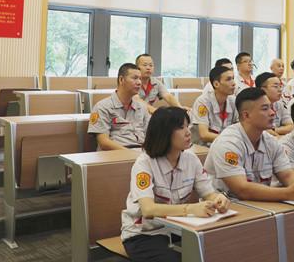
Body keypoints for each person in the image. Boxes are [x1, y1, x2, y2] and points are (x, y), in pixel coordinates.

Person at [121, 107, 230, 262]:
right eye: (180, 127)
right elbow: (148, 209)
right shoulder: (144, 163)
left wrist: (218, 199)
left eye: (187, 126)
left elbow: (208, 193)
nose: (188, 132)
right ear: (163, 132)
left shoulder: (191, 160)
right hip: (144, 234)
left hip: (179, 230)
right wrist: (190, 209)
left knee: (223, 248)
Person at [204, 87, 294, 201]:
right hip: (225, 206)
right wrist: (287, 193)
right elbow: (241, 189)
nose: (272, 113)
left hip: (259, 204)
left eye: (271, 107)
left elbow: (288, 175)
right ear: (246, 115)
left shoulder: (270, 142)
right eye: (265, 108)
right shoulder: (228, 143)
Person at [88, 63, 150, 150]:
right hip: (116, 153)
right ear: (121, 80)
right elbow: (104, 142)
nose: (139, 82)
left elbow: (151, 136)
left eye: (140, 79)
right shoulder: (102, 107)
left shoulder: (142, 108)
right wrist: (132, 154)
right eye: (135, 78)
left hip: (141, 152)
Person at [191, 66, 237, 146]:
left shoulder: (233, 101)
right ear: (216, 84)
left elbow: (240, 128)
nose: (234, 83)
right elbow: (204, 135)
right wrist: (230, 139)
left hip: (224, 145)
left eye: (233, 78)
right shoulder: (203, 102)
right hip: (203, 147)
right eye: (228, 79)